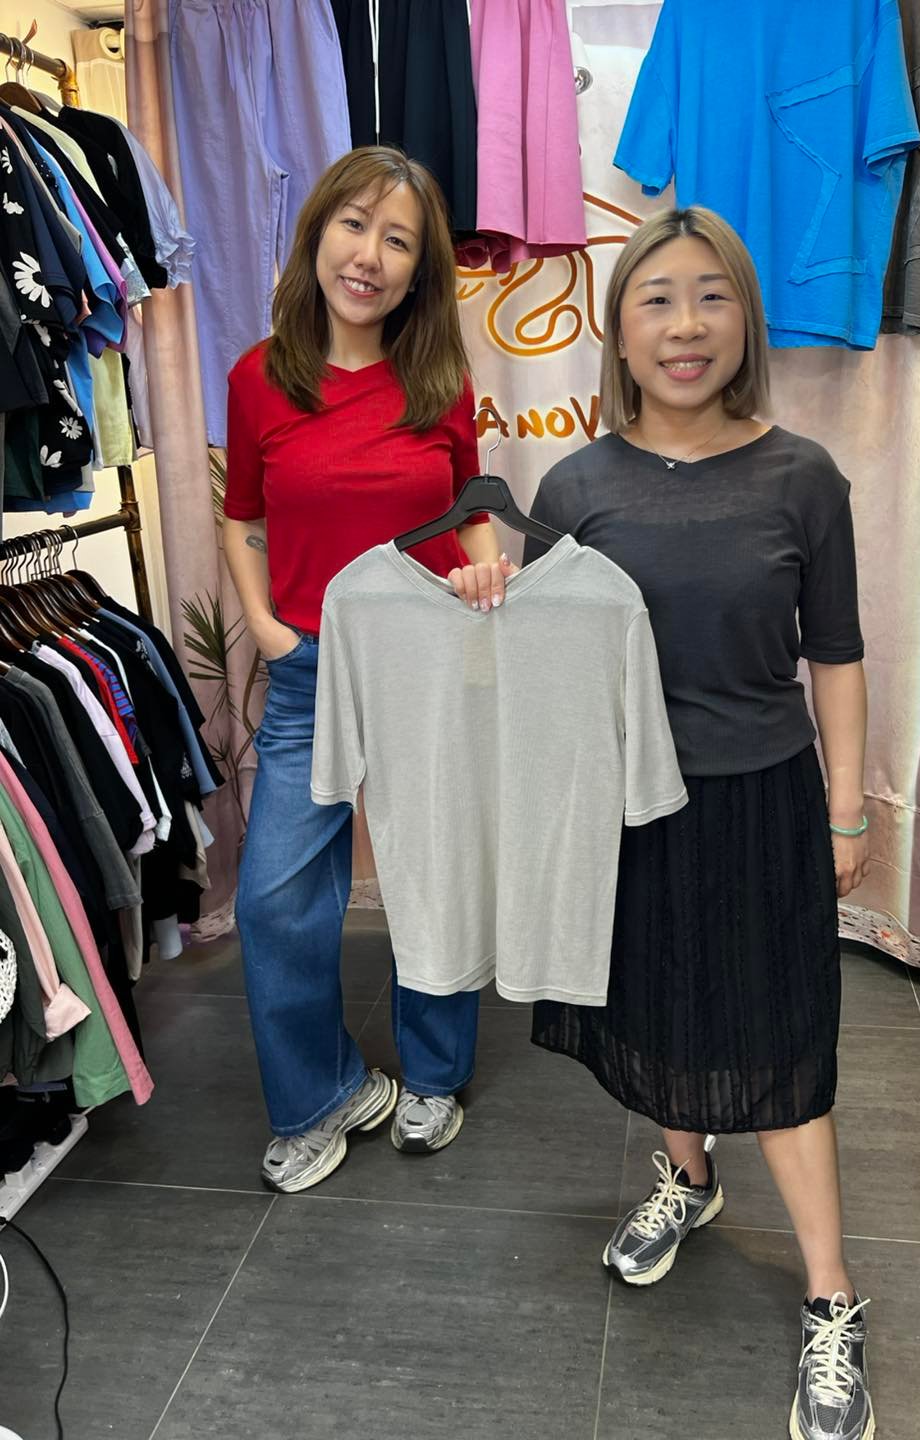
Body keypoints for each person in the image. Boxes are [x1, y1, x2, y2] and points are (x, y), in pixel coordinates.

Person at [521, 208, 873, 1440]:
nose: (685, 325)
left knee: (782, 1047)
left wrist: (846, 813)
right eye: (657, 298)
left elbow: (836, 655)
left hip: (764, 797)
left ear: (746, 323)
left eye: (711, 296)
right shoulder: (574, 488)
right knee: (665, 1011)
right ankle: (688, 1175)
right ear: (619, 331)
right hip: (627, 809)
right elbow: (544, 669)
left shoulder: (802, 477)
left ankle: (831, 1295)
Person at [223, 146, 512, 1192]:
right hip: (308, 672)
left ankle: (433, 1074)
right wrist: (265, 627)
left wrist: (488, 575)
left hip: (428, 662)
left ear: (418, 270)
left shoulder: (439, 380)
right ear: (318, 234)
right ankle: (324, 1093)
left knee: (431, 882)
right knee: (274, 902)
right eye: (355, 225)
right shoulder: (259, 378)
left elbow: (471, 511)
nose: (370, 256)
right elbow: (243, 518)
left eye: (398, 241)